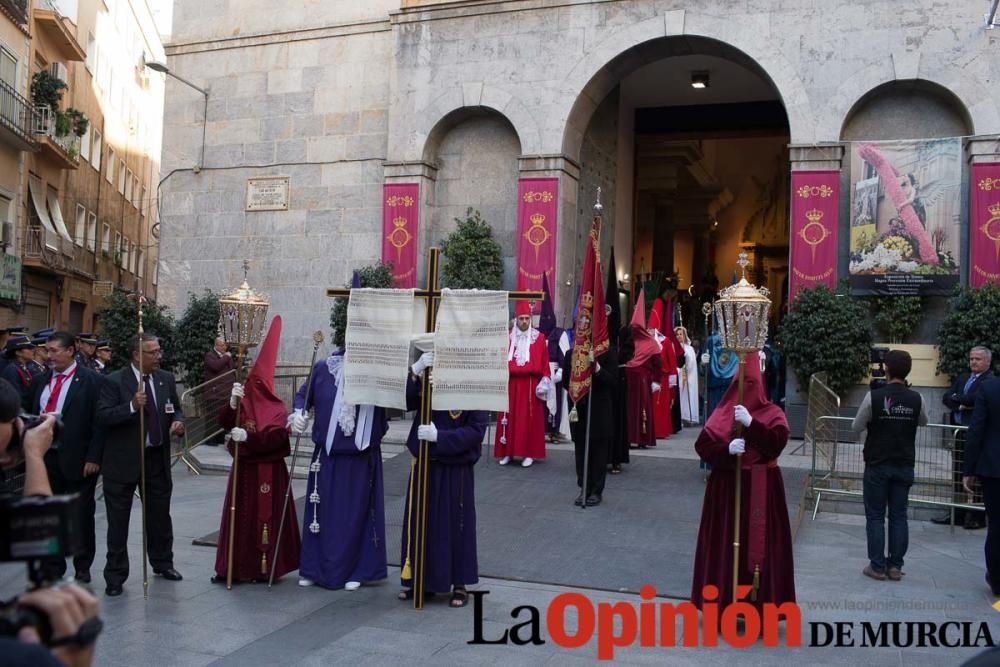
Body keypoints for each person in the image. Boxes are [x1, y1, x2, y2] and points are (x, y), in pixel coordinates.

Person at [691, 351, 795, 611]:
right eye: (741, 385)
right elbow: (702, 445)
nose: (745, 390)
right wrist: (725, 450)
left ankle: (760, 607)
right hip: (727, 491)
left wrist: (752, 425)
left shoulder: (772, 412)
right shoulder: (724, 410)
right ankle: (723, 603)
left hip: (762, 489)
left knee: (760, 548)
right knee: (724, 545)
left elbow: (778, 443)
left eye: (750, 384)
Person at [290, 343, 388, 590]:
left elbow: (401, 398)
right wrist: (298, 413)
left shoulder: (377, 372)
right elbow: (303, 395)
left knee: (354, 516)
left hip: (359, 459)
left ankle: (357, 569)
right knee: (320, 514)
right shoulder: (324, 368)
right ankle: (314, 567)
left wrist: (414, 370)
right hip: (327, 456)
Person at [212, 316, 300, 584]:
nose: (253, 388)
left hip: (269, 473)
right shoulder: (244, 402)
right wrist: (232, 403)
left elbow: (277, 441)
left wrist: (247, 438)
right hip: (244, 472)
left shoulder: (277, 409)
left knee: (264, 519)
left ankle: (267, 567)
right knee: (240, 520)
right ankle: (235, 568)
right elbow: (225, 422)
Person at [97, 333, 185, 597]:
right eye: (152, 352)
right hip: (123, 461)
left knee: (159, 516)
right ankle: (115, 575)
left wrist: (178, 422)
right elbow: (103, 416)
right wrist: (132, 407)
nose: (159, 356)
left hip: (155, 457)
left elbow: (175, 408)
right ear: (137, 355)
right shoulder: (114, 381)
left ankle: (163, 562)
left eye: (159, 351)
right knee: (118, 522)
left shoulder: (165, 379)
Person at [399, 352, 485, 607]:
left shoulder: (472, 383)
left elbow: (476, 430)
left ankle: (459, 583)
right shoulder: (428, 374)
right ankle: (421, 580)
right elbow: (405, 401)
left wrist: (441, 437)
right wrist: (415, 371)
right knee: (421, 522)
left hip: (454, 467)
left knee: (454, 525)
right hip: (425, 463)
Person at [27, 332, 106, 584]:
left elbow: (99, 423)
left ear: (70, 351)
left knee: (81, 515)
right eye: (47, 351)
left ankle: (83, 565)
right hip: (46, 458)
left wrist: (94, 456)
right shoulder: (40, 380)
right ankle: (54, 564)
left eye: (53, 351)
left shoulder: (91, 380)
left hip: (79, 460)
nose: (48, 356)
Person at [851, 350, 928, 581]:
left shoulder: (873, 397)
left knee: (875, 516)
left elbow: (856, 426)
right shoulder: (918, 398)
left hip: (877, 463)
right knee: (898, 515)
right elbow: (923, 421)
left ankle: (876, 566)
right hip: (904, 463)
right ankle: (895, 566)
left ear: (887, 369)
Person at [936, 346, 993, 529]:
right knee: (958, 471)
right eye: (971, 359)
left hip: (976, 433)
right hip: (959, 432)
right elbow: (946, 397)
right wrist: (961, 403)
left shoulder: (989, 381)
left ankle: (977, 515)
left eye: (978, 359)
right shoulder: (963, 378)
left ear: (987, 362)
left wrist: (958, 399)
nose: (973, 362)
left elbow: (974, 399)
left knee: (975, 472)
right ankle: (958, 512)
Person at [495, 300, 551, 467]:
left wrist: (545, 380)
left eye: (527, 318)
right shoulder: (507, 337)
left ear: (531, 319)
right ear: (516, 319)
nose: (524, 321)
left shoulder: (539, 338)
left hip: (530, 386)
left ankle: (529, 453)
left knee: (528, 420)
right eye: (521, 318)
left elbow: (545, 363)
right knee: (509, 419)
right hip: (510, 384)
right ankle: (507, 452)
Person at [562, 342, 617, 506]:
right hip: (579, 409)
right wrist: (579, 385)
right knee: (581, 451)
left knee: (599, 452)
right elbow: (566, 381)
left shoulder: (609, 353)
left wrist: (597, 369)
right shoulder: (570, 354)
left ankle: (596, 491)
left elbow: (613, 381)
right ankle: (584, 488)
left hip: (599, 410)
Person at [963, 374, 1000, 595]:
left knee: (996, 525)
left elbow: (976, 429)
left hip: (994, 468)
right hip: (993, 467)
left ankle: (996, 578)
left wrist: (969, 469)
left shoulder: (990, 388)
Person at [623, 290, 662, 450]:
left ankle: (640, 437)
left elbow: (657, 364)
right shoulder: (630, 340)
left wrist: (656, 380)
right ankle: (633, 437)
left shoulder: (650, 343)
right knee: (631, 409)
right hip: (632, 380)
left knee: (638, 409)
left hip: (641, 381)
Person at [538, 278, 571, 444]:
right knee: (541, 403)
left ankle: (554, 431)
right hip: (541, 372)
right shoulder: (538, 334)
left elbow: (565, 352)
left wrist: (561, 371)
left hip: (555, 372)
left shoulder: (559, 333)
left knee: (555, 402)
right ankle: (541, 429)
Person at [647, 299, 674, 440]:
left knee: (660, 407)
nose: (650, 331)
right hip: (648, 378)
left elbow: (672, 362)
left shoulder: (666, 342)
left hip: (662, 379)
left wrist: (672, 385)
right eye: (648, 329)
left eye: (652, 329)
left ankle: (660, 431)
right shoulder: (644, 342)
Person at [203, 336, 235, 445]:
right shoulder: (210, 355)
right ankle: (210, 440)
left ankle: (220, 439)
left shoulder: (226, 356)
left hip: (226, 393)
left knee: (223, 417)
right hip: (214, 393)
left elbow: (232, 369)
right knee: (213, 418)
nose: (224, 348)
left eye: (225, 345)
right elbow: (216, 366)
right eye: (222, 345)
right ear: (216, 345)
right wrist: (226, 357)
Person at [2, 335, 43, 412]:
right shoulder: (12, 370)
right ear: (18, 353)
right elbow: (16, 396)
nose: (32, 350)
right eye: (28, 348)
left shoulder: (22, 367)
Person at [675, 326, 699, 425]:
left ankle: (687, 416)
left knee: (686, 395)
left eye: (681, 334)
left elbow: (692, 363)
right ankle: (678, 417)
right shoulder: (673, 346)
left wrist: (686, 358)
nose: (679, 336)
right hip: (677, 374)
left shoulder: (690, 349)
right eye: (677, 334)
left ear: (685, 336)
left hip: (687, 375)